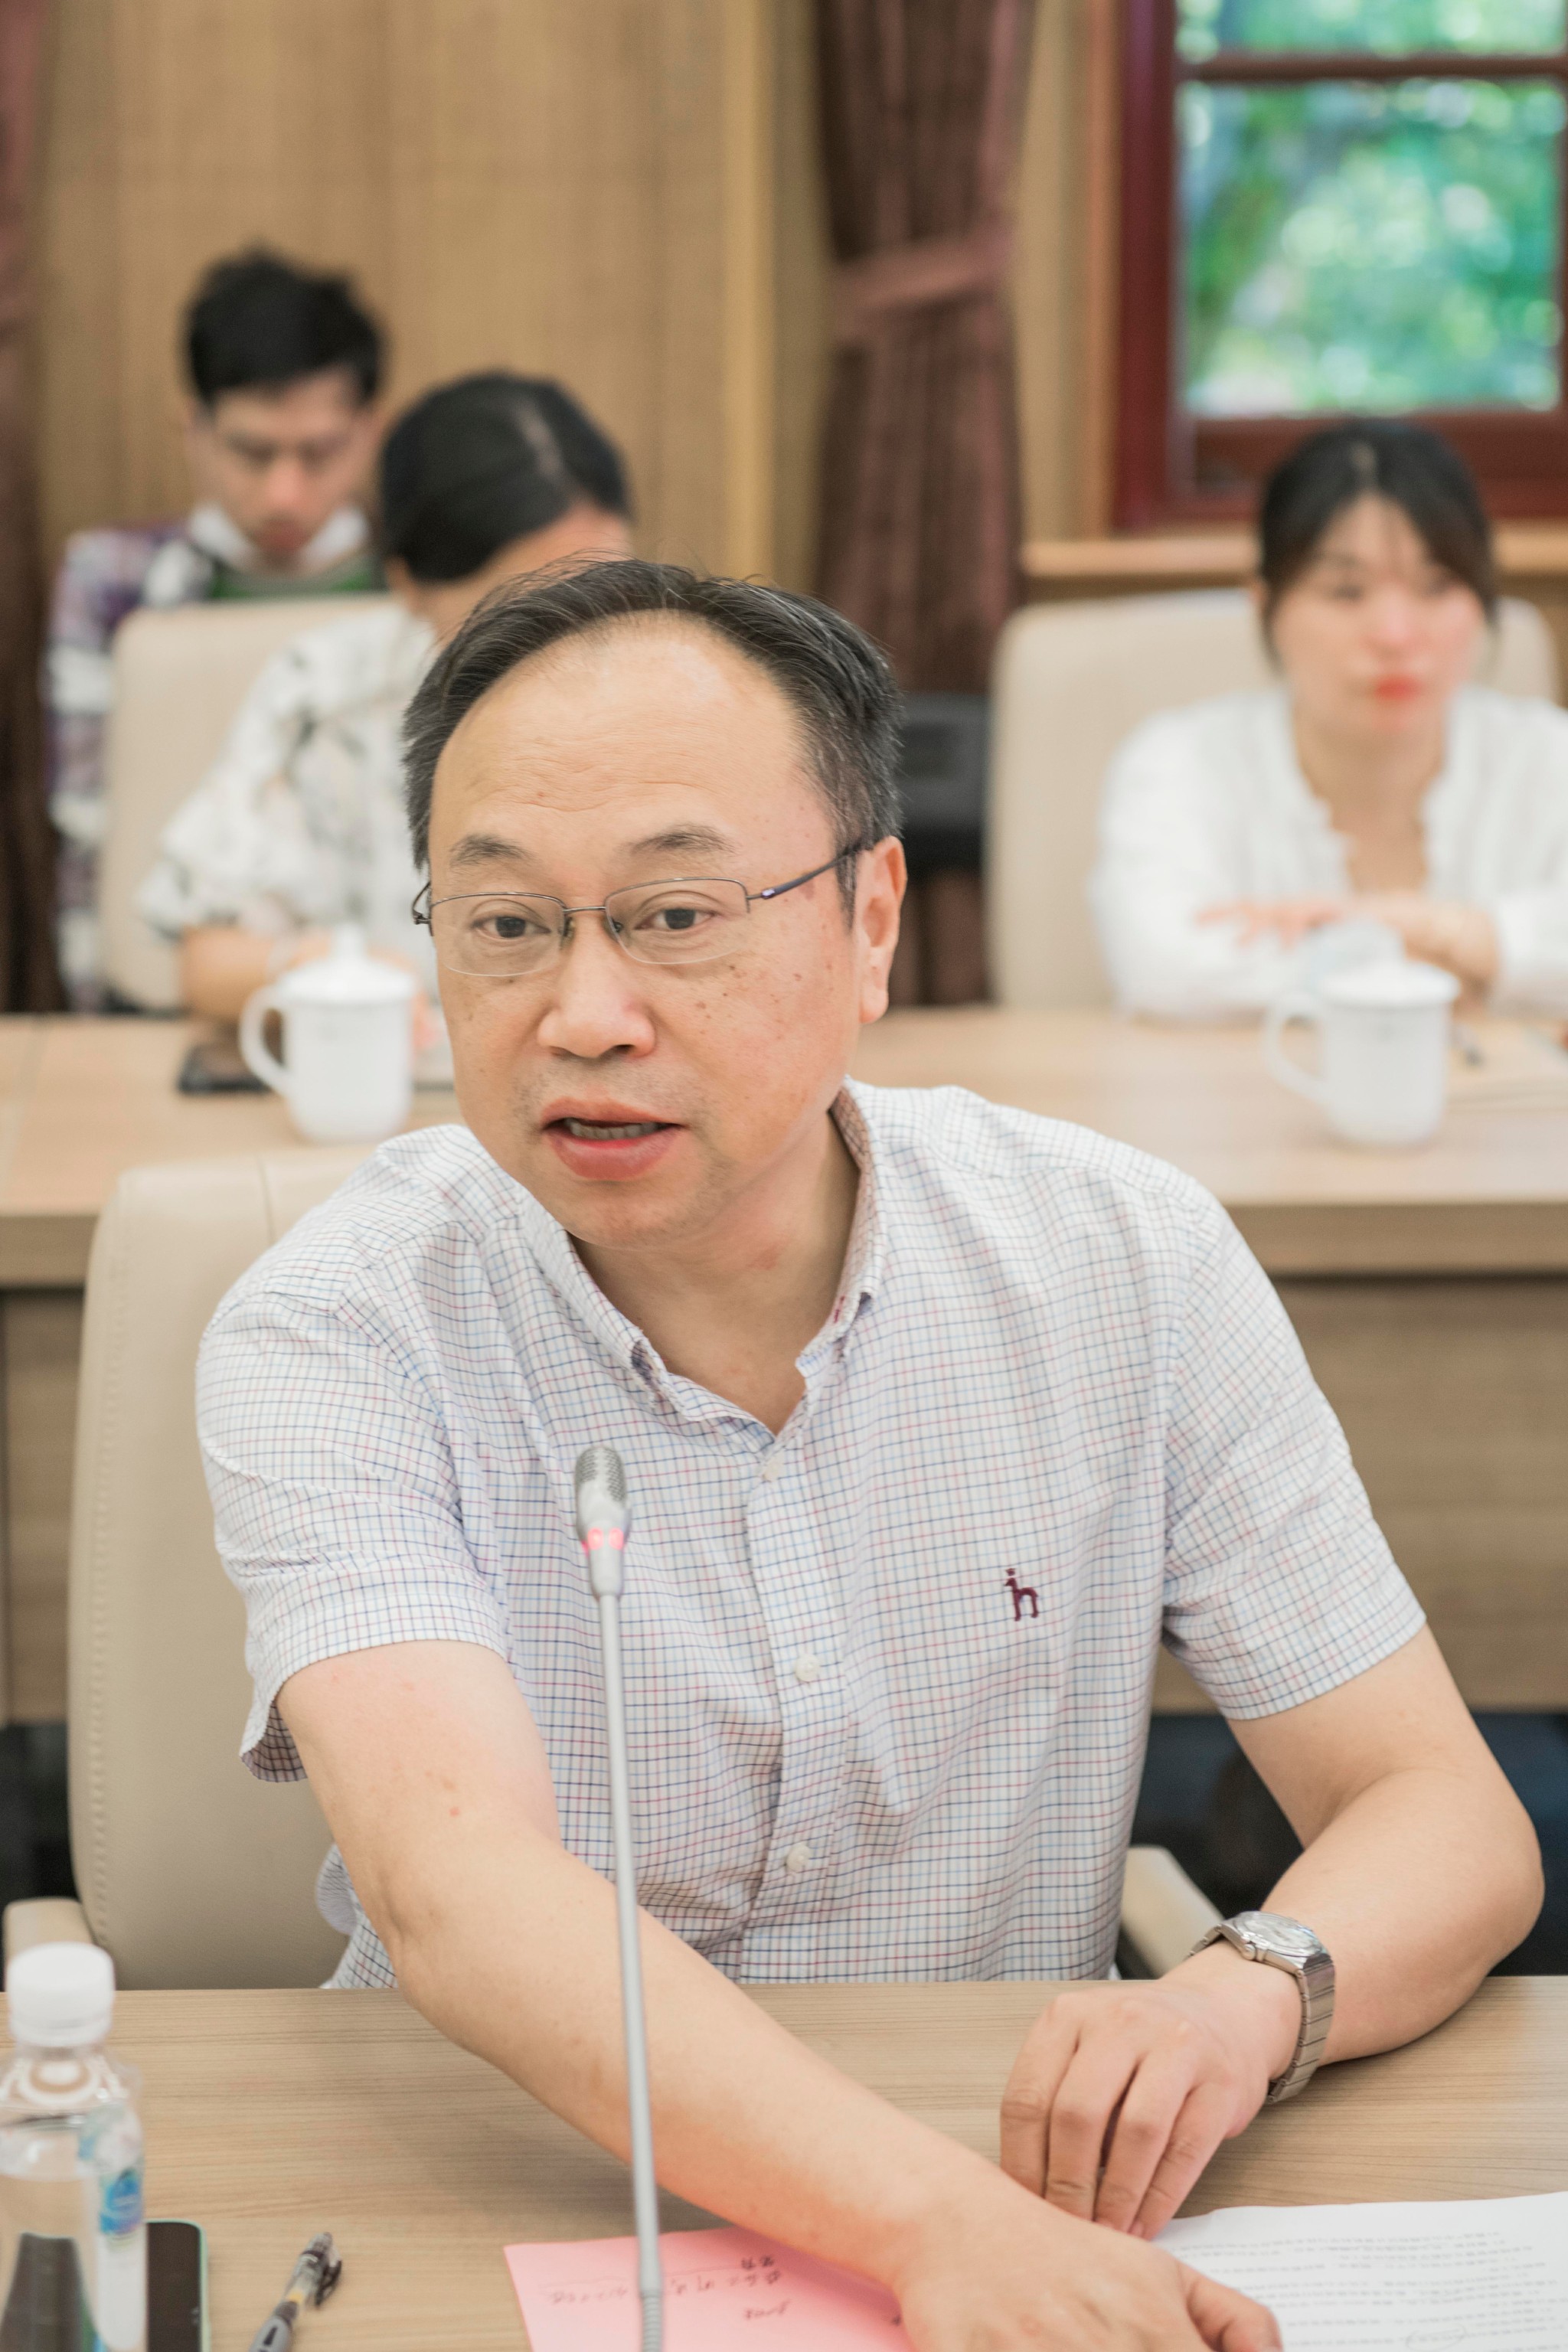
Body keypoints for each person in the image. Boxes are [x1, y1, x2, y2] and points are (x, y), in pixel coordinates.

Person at [199, 561, 1540, 2352]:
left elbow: (1440, 1814)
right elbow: (462, 1890)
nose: (583, 1010)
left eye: (675, 913)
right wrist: (934, 2228)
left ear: (870, 920)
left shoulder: (1124, 1261)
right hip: (507, 2187)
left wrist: (1238, 1996)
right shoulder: (338, 1325)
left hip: (1014, 2181)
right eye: (505, 921)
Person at [138, 372, 633, 1023]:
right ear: (409, 586)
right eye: (522, 613)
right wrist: (324, 970)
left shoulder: (694, 690)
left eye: (603, 593)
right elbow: (209, 963)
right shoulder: (326, 694)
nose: (571, 639)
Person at [1090, 420, 1568, 1020]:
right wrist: (1465, 958)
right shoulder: (1179, 762)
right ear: (1266, 606)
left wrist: (1420, 926)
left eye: (1437, 584)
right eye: (1346, 591)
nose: (1395, 635)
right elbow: (1164, 970)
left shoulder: (1550, 757)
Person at [47, 250, 386, 1004]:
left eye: (319, 452)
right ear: (194, 428)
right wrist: (96, 1010)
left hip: (377, 992)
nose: (284, 492)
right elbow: (89, 827)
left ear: (370, 432)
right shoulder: (113, 581)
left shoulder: (415, 587)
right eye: (252, 451)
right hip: (164, 985)